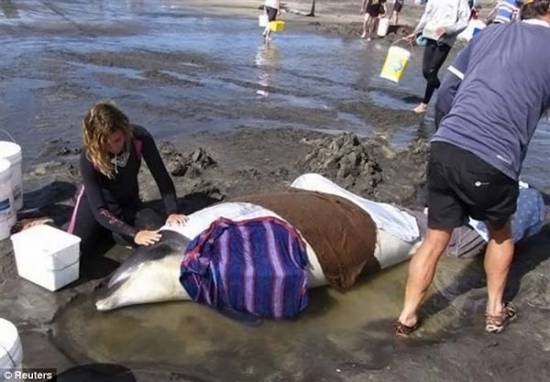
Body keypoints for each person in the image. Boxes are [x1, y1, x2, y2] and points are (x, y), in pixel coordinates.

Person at [396, 0, 550, 336]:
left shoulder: (488, 34)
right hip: (493, 158)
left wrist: (446, 136)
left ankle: (407, 317)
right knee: (500, 233)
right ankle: (495, 310)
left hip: (445, 146)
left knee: (436, 237)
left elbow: (448, 90)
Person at [67, 103, 188, 259]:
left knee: (159, 234)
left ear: (125, 130)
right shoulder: (88, 157)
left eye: (117, 140)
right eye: (106, 144)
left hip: (128, 203)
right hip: (95, 206)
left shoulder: (139, 137)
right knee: (76, 250)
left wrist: (172, 211)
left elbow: (161, 177)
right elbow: (99, 209)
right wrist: (134, 233)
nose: (114, 148)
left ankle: (110, 232)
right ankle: (44, 221)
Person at [405, 0, 470, 114]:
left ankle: (424, 104)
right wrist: (416, 32)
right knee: (426, 72)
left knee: (431, 71)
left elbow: (464, 21)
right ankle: (446, 93)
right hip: (430, 34)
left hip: (445, 39)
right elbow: (427, 15)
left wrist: (448, 30)